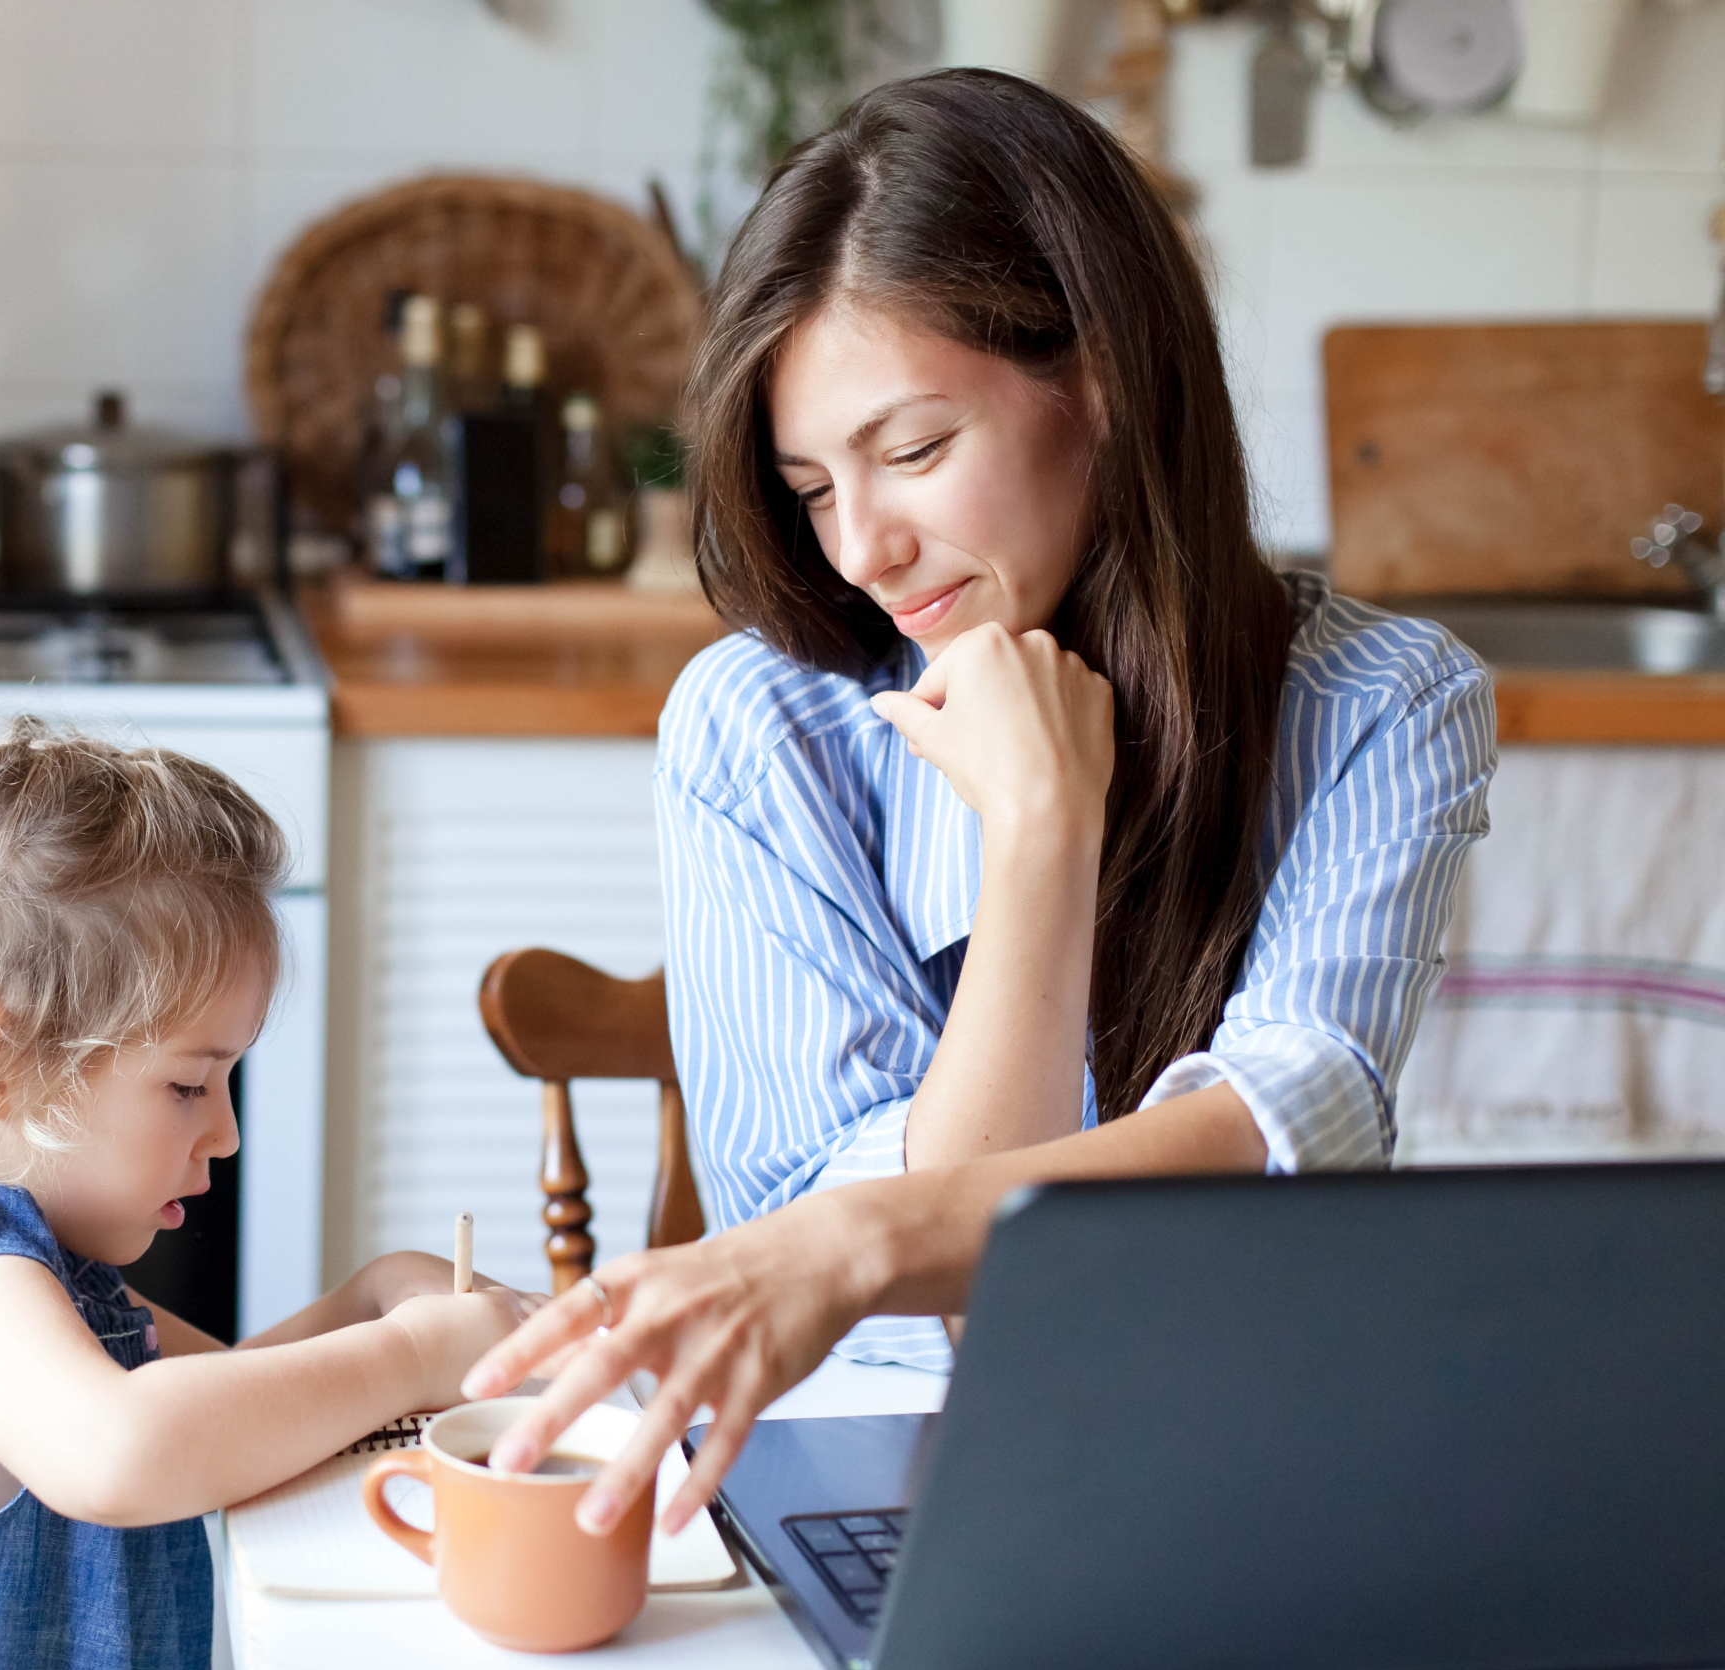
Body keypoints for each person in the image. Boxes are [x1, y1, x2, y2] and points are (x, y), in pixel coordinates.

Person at [465, 70, 1495, 1539]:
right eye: (811, 486)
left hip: (1227, 1452)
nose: (862, 548)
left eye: (914, 451)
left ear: (1103, 380)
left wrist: (852, 1239)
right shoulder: (760, 726)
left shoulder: (1385, 703)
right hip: (861, 1455)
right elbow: (917, 1308)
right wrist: (1037, 842)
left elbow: (1285, 1118)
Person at [0, 722, 535, 1670]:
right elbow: (123, 1448)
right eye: (188, 1085)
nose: (225, 1132)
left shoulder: (39, 1264)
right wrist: (411, 1356)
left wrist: (374, 1297)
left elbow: (226, 1408)